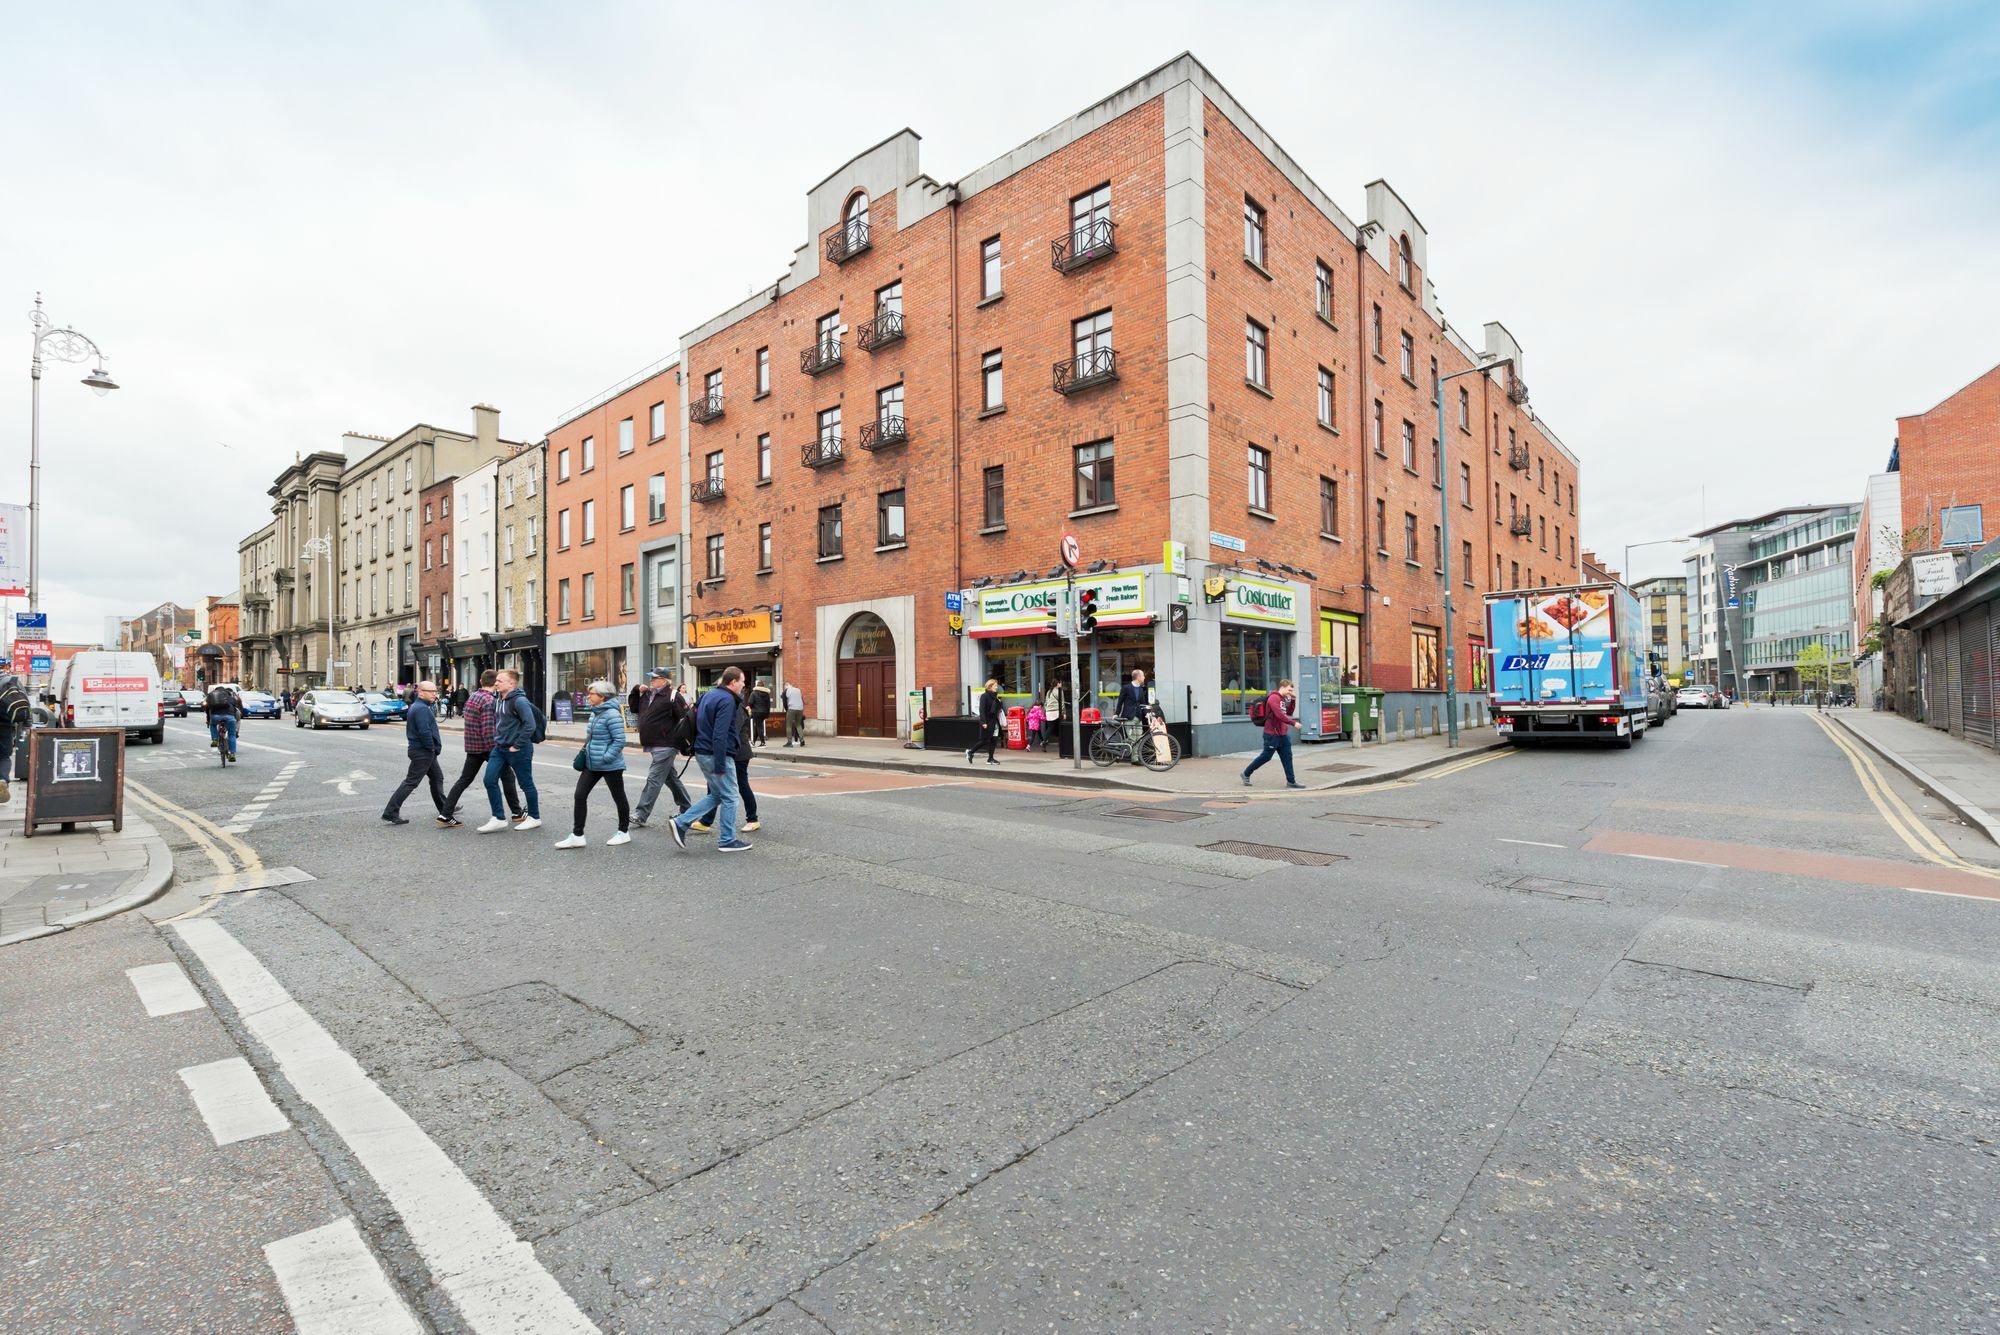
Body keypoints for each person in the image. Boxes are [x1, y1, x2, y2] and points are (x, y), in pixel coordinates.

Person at [669, 666, 751, 853]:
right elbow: (720, 734)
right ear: (733, 682)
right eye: (742, 681)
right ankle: (727, 840)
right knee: (730, 796)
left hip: (702, 751)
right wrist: (721, 764)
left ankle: (681, 823)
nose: (744, 685)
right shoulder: (727, 700)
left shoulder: (710, 695)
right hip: (716, 754)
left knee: (716, 795)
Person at [440, 668, 522, 827]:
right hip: (487, 747)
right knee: (508, 777)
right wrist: (497, 750)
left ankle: (445, 814)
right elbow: (488, 729)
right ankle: (517, 813)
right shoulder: (489, 700)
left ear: (481, 682)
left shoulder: (473, 697)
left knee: (464, 780)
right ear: (495, 682)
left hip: (472, 746)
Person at [557, 680, 631, 848]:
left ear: (602, 697)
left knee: (619, 797)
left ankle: (623, 832)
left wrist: (606, 757)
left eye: (591, 694)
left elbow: (619, 740)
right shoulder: (595, 712)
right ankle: (577, 835)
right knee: (579, 795)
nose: (587, 696)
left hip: (610, 765)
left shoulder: (612, 714)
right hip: (591, 764)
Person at [477, 668, 543, 832]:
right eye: (496, 680)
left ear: (511, 683)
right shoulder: (499, 699)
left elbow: (530, 725)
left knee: (526, 783)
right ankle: (498, 817)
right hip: (499, 748)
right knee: (489, 780)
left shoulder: (519, 701)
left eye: (500, 680)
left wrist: (517, 745)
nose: (496, 683)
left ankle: (534, 817)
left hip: (518, 749)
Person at [630, 668, 692, 828]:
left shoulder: (673, 696)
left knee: (654, 778)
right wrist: (636, 689)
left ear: (664, 680)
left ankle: (641, 814)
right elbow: (633, 708)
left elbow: (685, 719)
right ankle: (687, 808)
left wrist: (683, 741)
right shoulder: (647, 694)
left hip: (667, 744)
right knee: (670, 778)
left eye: (655, 678)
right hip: (653, 743)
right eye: (651, 678)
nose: (651, 680)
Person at [383, 680, 449, 825]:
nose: (435, 694)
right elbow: (424, 731)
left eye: (435, 691)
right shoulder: (421, 709)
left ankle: (445, 809)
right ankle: (390, 812)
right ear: (421, 692)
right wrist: (431, 748)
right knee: (411, 782)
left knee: (437, 778)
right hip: (423, 752)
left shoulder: (420, 706)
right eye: (431, 692)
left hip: (424, 751)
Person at [1241, 678, 1304, 789]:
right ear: (1282, 687)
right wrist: (1293, 723)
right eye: (1289, 690)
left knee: (1287, 757)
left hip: (1283, 734)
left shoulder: (1283, 699)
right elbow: (1279, 715)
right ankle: (1246, 773)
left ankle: (1291, 781)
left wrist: (1293, 699)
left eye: (1291, 691)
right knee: (1266, 756)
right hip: (1272, 734)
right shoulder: (1273, 698)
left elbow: (1289, 712)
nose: (1290, 692)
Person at [0, 672, 31, 802]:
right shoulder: (11, 680)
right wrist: (27, 725)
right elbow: (24, 702)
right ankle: (2, 780)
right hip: (5, 726)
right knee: (4, 756)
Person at [204, 681, 242, 763]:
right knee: (232, 735)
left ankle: (214, 740)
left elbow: (207, 710)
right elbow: (235, 709)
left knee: (213, 725)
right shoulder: (231, 697)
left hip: (215, 717)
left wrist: (208, 720)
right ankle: (232, 754)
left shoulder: (211, 697)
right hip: (230, 717)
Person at [967, 679, 1002, 765]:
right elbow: (981, 710)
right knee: (985, 740)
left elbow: (997, 710)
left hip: (994, 722)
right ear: (990, 686)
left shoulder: (995, 697)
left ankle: (990, 759)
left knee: (994, 740)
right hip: (987, 721)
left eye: (996, 686)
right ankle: (971, 752)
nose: (997, 687)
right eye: (995, 686)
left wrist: (999, 702)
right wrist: (983, 722)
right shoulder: (984, 696)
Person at [782, 680, 806, 746]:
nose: (784, 688)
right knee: (798, 724)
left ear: (786, 685)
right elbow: (802, 700)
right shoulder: (798, 690)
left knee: (788, 725)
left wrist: (787, 710)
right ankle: (802, 740)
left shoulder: (786, 691)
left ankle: (789, 742)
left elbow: (784, 703)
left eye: (784, 686)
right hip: (800, 709)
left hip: (792, 708)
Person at [749, 679, 772, 747]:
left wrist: (749, 707)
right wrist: (767, 714)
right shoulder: (767, 694)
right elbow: (768, 705)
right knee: (757, 726)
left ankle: (763, 743)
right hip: (764, 712)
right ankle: (753, 742)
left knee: (759, 726)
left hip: (756, 711)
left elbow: (750, 703)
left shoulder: (754, 693)